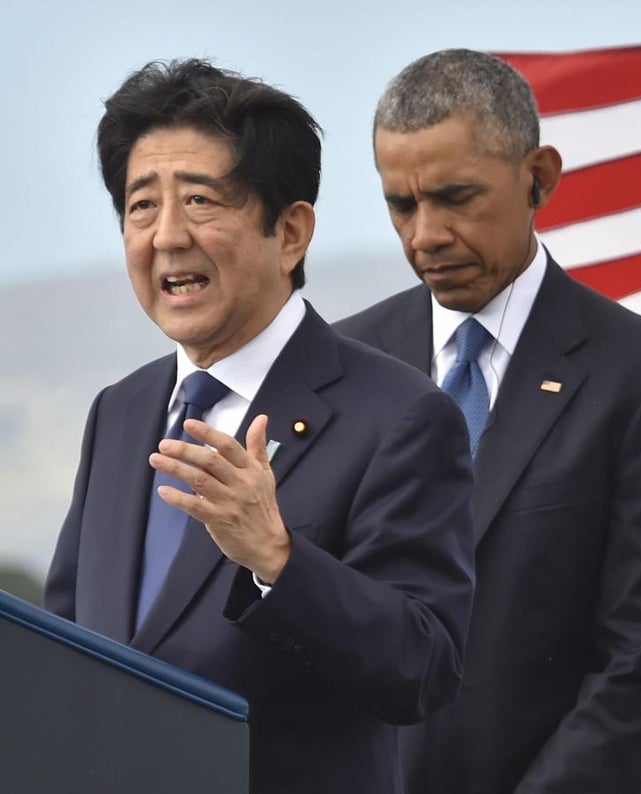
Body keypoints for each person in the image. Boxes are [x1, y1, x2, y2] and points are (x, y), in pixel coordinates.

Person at [43, 59, 475, 794]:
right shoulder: (121, 411)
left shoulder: (400, 416)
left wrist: (279, 559)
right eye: (141, 206)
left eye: (202, 201)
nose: (167, 237)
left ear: (290, 232)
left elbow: (422, 668)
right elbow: (63, 645)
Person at [337, 49, 641, 794]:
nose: (426, 236)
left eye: (456, 197)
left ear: (538, 177)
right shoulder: (341, 364)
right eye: (402, 205)